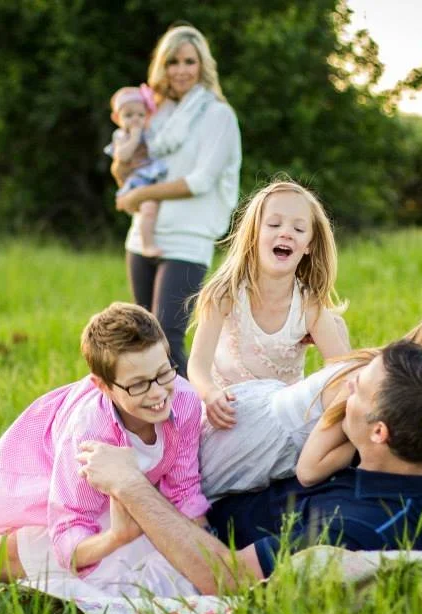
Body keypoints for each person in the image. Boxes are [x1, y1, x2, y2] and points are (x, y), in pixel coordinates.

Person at [77, 340, 422, 595]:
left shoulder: (353, 527)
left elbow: (226, 577)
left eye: (357, 390)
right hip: (206, 485)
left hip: (201, 537)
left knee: (41, 546)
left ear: (380, 432)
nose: (346, 389)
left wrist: (130, 485)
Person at [197, 299, 422, 500]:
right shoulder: (366, 385)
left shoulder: (401, 386)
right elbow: (309, 470)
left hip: (271, 429)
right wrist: (359, 445)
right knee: (194, 497)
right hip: (248, 438)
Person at [0, 303, 209, 581]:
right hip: (66, 497)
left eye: (163, 373)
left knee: (162, 564)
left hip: (129, 498)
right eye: (138, 385)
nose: (158, 393)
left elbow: (184, 488)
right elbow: (70, 529)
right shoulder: (89, 433)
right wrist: (116, 538)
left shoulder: (183, 401)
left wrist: (206, 553)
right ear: (104, 386)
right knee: (75, 566)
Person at [115, 25, 243, 375]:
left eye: (190, 61)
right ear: (162, 66)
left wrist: (142, 194)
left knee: (167, 338)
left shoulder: (218, 115)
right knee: (142, 341)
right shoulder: (155, 116)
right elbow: (130, 172)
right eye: (173, 61)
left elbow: (201, 180)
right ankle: (151, 427)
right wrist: (123, 161)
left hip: (188, 238)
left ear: (203, 65)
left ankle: (192, 424)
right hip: (144, 236)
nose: (181, 69)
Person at [187, 180, 351, 431]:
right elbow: (197, 365)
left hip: (281, 422)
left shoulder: (309, 306)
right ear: (255, 234)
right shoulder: (226, 294)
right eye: (274, 224)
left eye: (298, 229)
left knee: (340, 333)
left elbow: (341, 372)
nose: (285, 232)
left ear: (309, 246)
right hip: (228, 414)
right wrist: (210, 394)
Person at [105, 85, 167, 257]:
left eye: (140, 115)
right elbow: (122, 156)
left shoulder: (147, 132)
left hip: (150, 176)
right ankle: (147, 245)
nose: (135, 119)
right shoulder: (121, 135)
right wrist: (134, 136)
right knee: (148, 208)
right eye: (128, 115)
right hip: (136, 180)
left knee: (153, 207)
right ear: (116, 118)